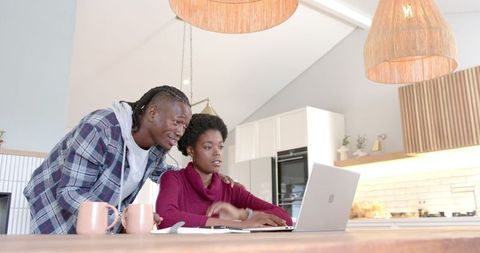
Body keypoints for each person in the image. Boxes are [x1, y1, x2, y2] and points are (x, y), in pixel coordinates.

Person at [23, 85, 193, 234]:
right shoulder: (101, 129)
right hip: (53, 206)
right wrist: (123, 218)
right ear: (153, 113)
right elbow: (70, 191)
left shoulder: (157, 148)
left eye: (184, 126)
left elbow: (162, 173)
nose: (180, 132)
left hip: (99, 219)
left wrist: (200, 177)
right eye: (177, 122)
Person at [156, 114, 293, 229]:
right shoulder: (173, 179)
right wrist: (237, 224)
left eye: (220, 147)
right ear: (191, 150)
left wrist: (241, 215)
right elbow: (165, 218)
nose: (217, 153)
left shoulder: (230, 187)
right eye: (208, 147)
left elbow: (285, 218)